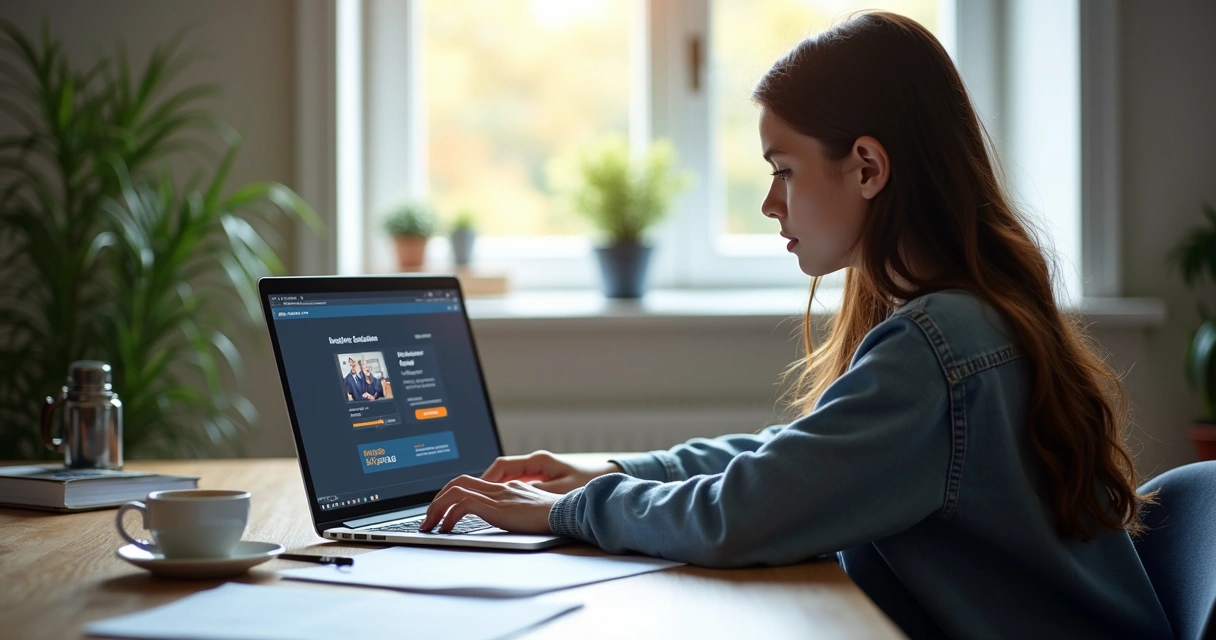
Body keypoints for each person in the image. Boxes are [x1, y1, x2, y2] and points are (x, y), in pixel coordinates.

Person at [420, 12, 1171, 639]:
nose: (770, 203)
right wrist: (618, 472)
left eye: (782, 169)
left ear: (868, 167)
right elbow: (793, 461)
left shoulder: (939, 348)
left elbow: (745, 511)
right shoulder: (959, 319)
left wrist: (565, 512)